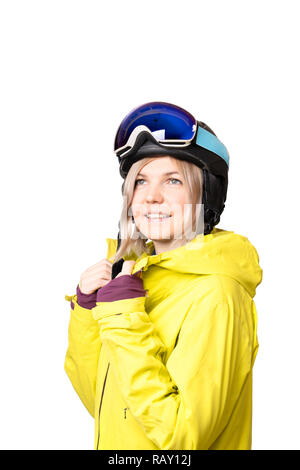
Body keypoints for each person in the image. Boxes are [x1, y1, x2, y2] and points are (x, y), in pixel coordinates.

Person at [64, 101, 263, 450]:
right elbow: (103, 401)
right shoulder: (135, 282)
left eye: (172, 180)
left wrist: (124, 318)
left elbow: (181, 439)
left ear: (207, 196)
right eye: (140, 181)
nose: (152, 197)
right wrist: (88, 312)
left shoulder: (218, 295)